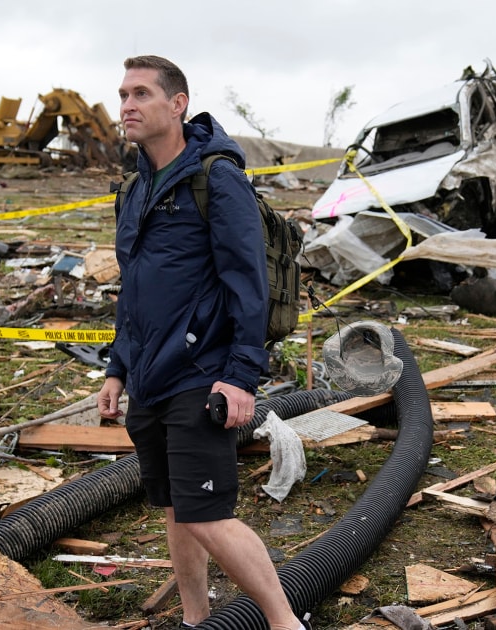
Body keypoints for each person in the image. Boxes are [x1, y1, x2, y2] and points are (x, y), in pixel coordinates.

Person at [97, 55, 308, 630]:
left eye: (141, 94)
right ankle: (195, 620)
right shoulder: (137, 189)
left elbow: (249, 285)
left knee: (206, 514)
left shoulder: (217, 178)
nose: (127, 107)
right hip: (149, 377)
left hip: (201, 374)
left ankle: (287, 622)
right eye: (122, 95)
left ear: (178, 103)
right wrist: (118, 367)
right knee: (175, 510)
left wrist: (241, 376)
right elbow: (134, 289)